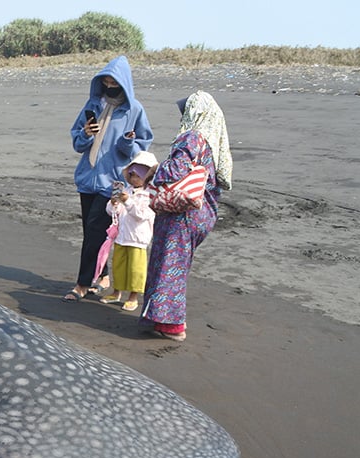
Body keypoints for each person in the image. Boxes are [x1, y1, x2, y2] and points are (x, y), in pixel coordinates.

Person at [142, 91, 233, 341]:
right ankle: (159, 318)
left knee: (170, 265)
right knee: (175, 264)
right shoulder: (212, 141)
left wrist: (153, 171)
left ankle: (172, 325)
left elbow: (177, 170)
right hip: (202, 213)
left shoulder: (192, 137)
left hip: (183, 215)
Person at [64, 55, 153, 302]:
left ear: (123, 82)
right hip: (87, 177)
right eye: (105, 79)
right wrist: (86, 134)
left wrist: (127, 142)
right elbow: (77, 141)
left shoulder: (134, 109)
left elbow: (141, 148)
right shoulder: (93, 104)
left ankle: (82, 284)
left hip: (114, 182)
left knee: (95, 230)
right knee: (92, 231)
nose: (109, 84)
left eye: (114, 80)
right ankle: (100, 276)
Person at [101, 151, 157, 312]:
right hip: (122, 236)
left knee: (135, 270)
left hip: (138, 239)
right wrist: (114, 204)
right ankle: (116, 292)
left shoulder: (149, 195)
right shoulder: (126, 189)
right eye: (131, 175)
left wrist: (127, 201)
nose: (134, 179)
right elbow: (111, 212)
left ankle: (133, 297)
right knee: (119, 266)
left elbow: (141, 215)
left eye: (138, 175)